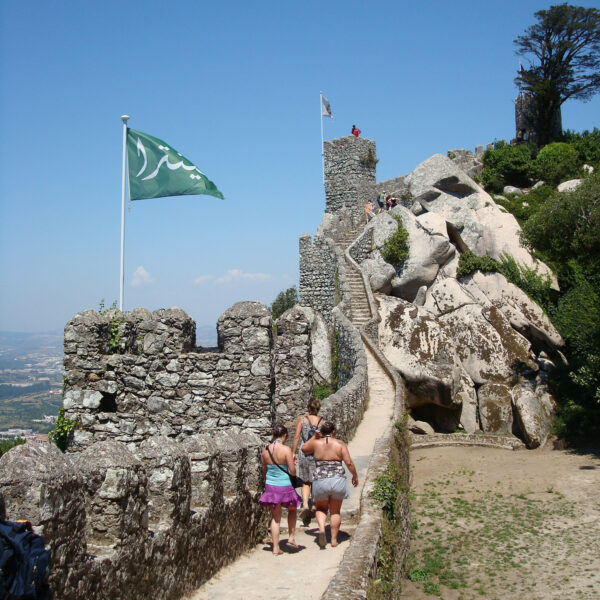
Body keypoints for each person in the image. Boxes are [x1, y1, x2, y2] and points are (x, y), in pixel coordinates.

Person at [301, 421, 358, 549]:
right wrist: (355, 475)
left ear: (321, 431)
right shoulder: (340, 444)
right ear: (333, 432)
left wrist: (314, 437)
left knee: (321, 509)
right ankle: (333, 540)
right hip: (337, 479)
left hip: (320, 480)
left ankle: (321, 529)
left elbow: (304, 448)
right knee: (335, 512)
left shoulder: (316, 443)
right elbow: (348, 462)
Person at [259, 425, 301, 555]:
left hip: (271, 486)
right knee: (292, 509)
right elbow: (293, 472)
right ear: (285, 436)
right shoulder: (286, 450)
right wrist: (293, 464)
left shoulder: (265, 450)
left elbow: (264, 470)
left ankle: (275, 547)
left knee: (275, 518)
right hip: (285, 485)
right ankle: (291, 537)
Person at [292, 398, 323, 525]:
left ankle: (305, 504)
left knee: (306, 481)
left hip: (304, 451)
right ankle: (314, 505)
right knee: (316, 479)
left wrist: (293, 452)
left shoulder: (302, 420)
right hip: (317, 452)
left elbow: (296, 436)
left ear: (308, 408)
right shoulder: (322, 422)